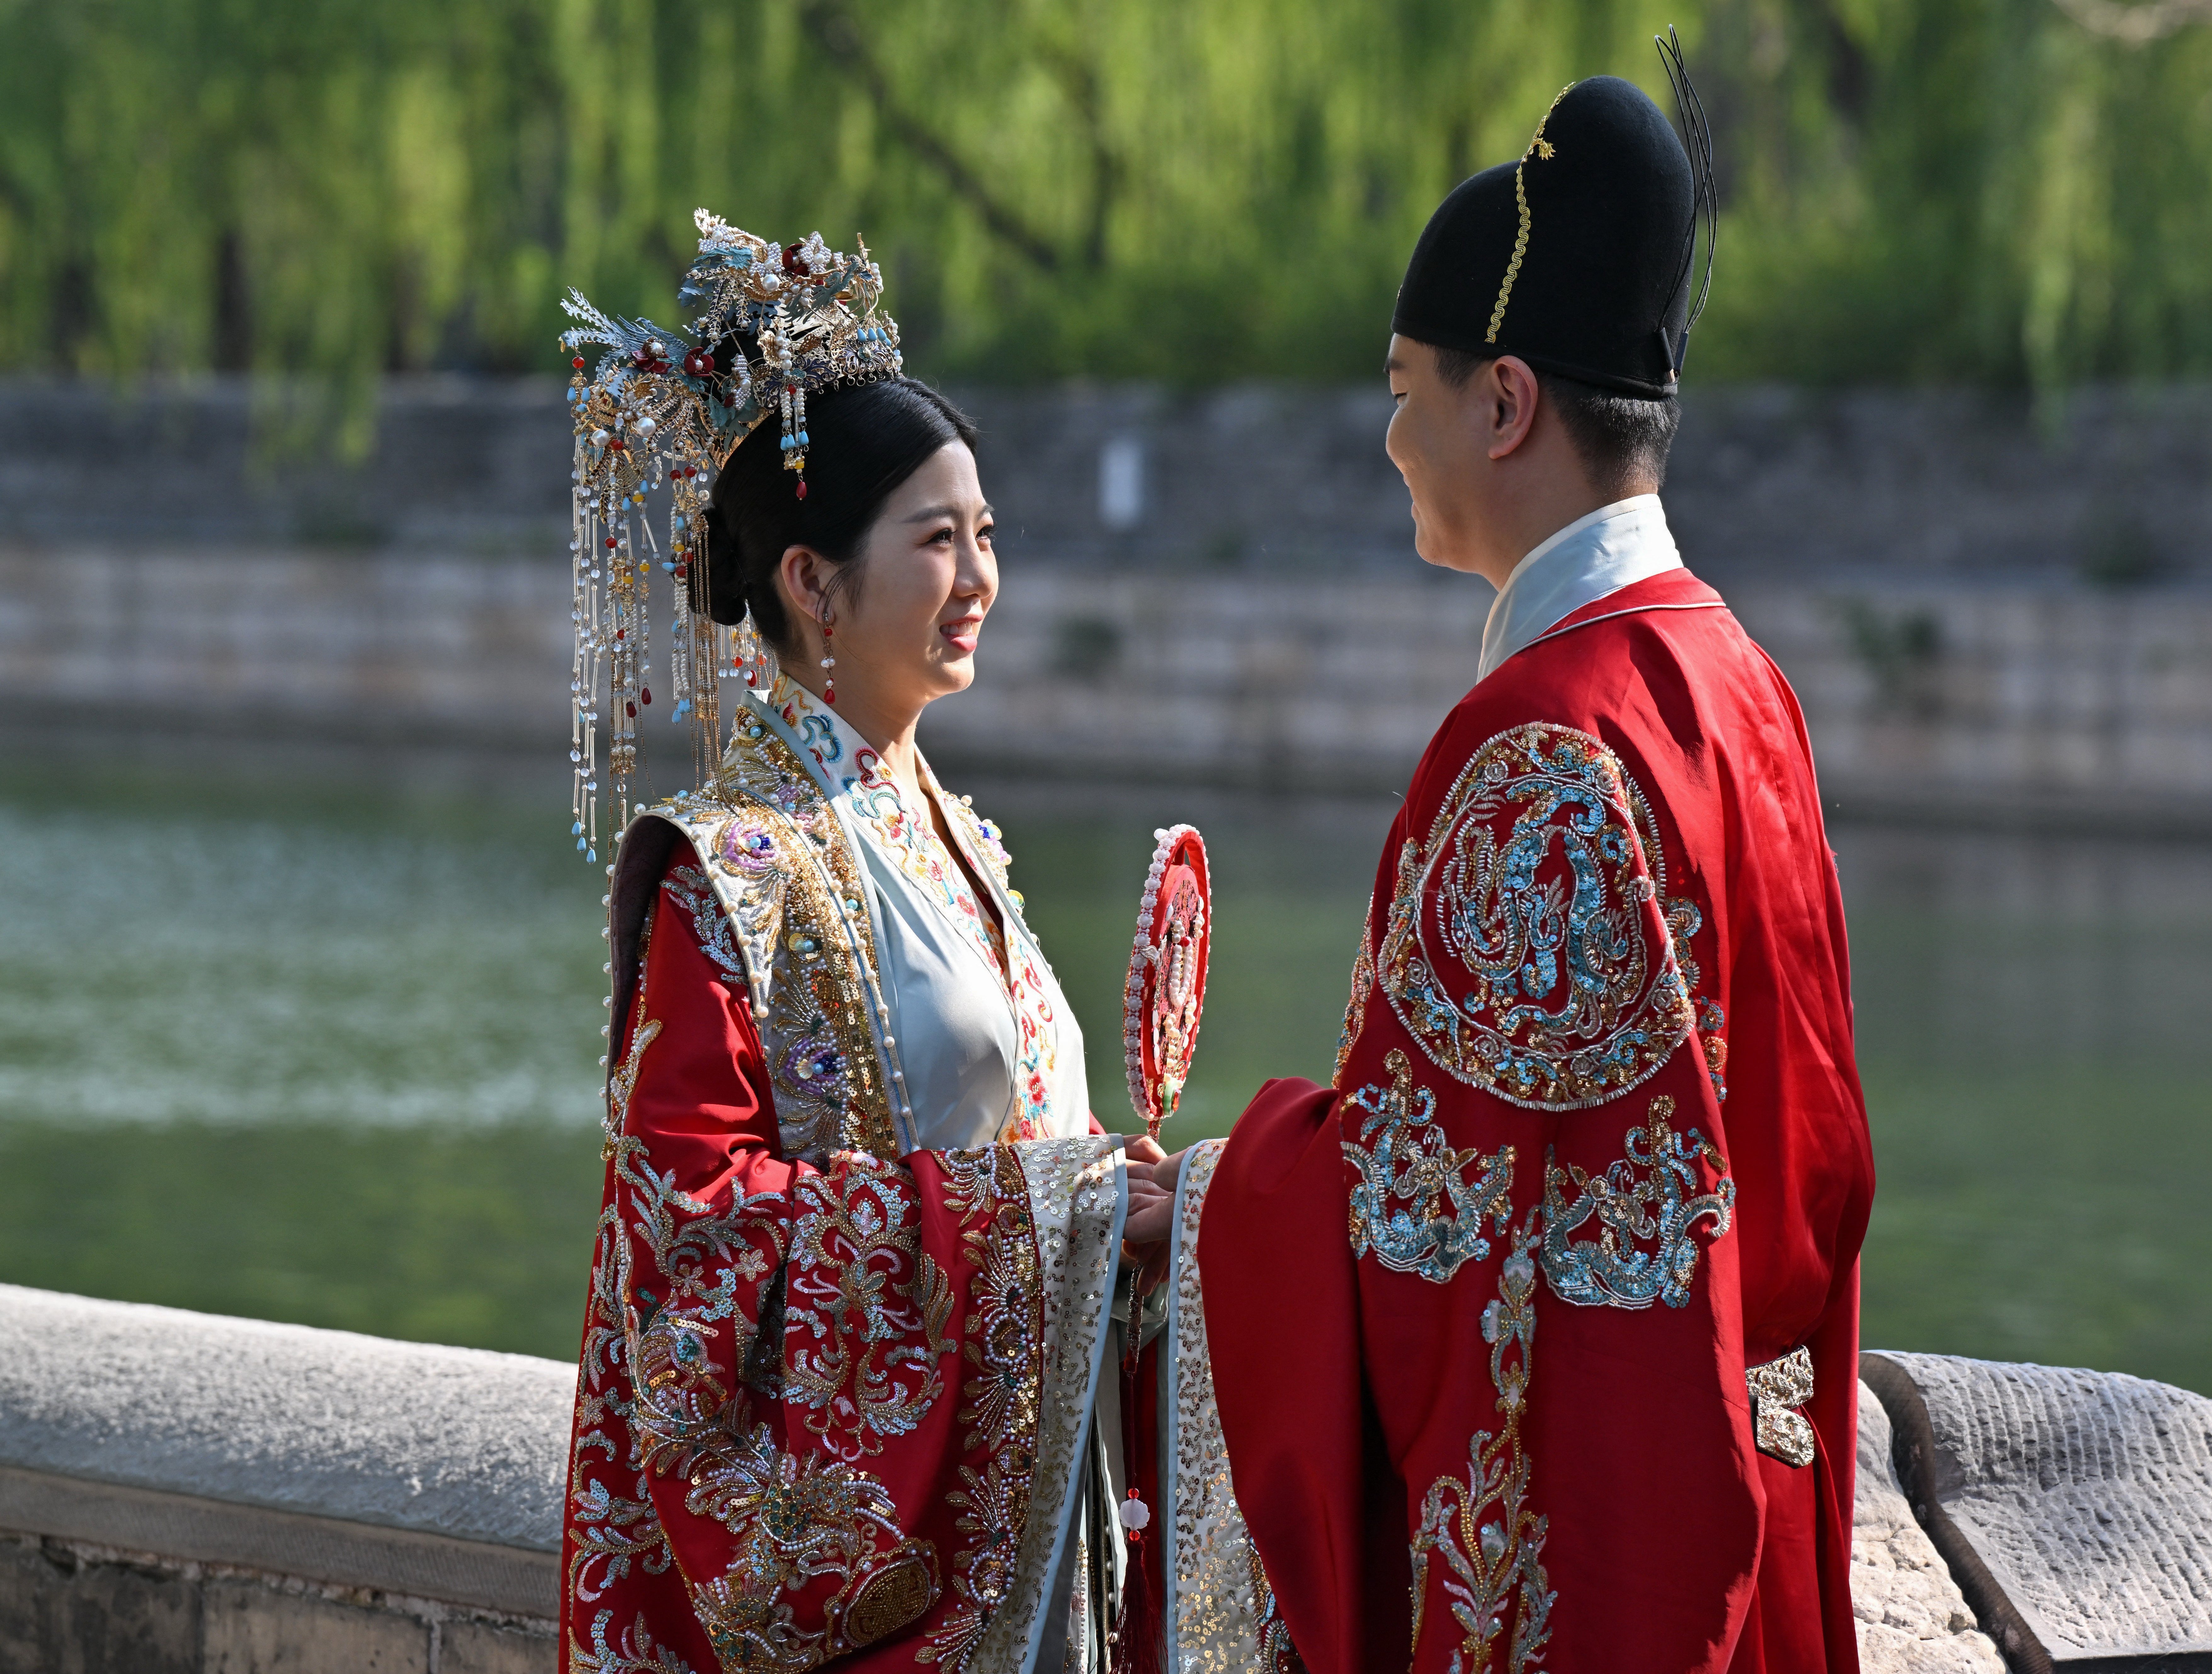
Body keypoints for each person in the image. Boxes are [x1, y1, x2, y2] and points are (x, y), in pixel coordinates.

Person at [1134, 46, 1876, 1674]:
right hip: (1744, 1525)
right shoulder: (1741, 682)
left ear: (1504, 400)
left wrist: (1199, 1198)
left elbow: (1431, 1236)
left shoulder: (1542, 743)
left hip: (1611, 1566)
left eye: (1405, 384)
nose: (1391, 432)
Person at [556, 213, 1171, 1674]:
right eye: (937, 540)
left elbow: (1017, 1134)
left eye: (988, 537)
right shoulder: (736, 873)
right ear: (813, 585)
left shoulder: (944, 827)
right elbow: (692, 1242)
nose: (979, 579)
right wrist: (1052, 1212)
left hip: (1029, 1522)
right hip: (904, 1585)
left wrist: (1120, 1204)